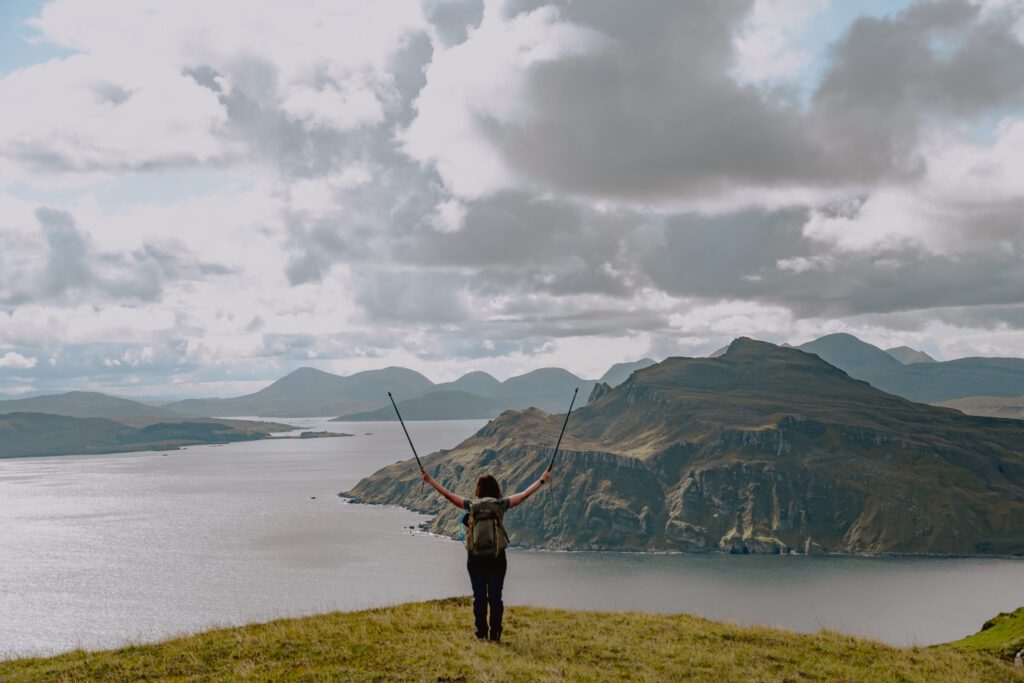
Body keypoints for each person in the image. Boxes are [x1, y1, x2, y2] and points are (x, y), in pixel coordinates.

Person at [421, 467, 551, 642]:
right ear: (495, 489)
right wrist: (542, 479)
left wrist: (429, 480)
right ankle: (495, 634)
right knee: (496, 597)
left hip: (475, 560)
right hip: (497, 558)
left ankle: (481, 633)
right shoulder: (500, 505)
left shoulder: (472, 506)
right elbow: (525, 494)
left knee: (479, 597)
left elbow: (448, 495)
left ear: (479, 489)